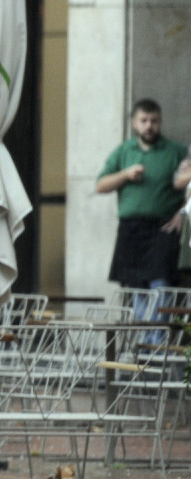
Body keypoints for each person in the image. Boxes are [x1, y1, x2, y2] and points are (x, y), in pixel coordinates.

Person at [95, 98, 186, 321]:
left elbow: (188, 186)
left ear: (160, 121)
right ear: (134, 123)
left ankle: (157, 342)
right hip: (131, 229)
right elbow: (100, 185)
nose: (149, 126)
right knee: (136, 289)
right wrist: (125, 175)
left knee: (161, 285)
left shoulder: (175, 151)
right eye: (144, 120)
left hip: (163, 228)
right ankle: (143, 342)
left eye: (154, 120)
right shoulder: (124, 151)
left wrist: (183, 214)